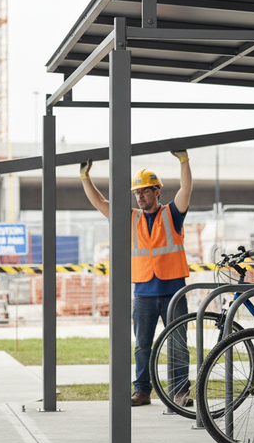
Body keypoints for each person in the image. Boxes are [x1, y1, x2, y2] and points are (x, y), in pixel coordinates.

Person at [79, 151, 193, 406]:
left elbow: (186, 189)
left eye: (144, 192)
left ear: (157, 193)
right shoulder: (129, 218)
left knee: (178, 345)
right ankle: (142, 391)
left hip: (174, 291)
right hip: (143, 293)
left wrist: (183, 161)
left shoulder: (172, 214)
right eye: (137, 193)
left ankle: (181, 393)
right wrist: (85, 177)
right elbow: (100, 203)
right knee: (142, 346)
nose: (139, 196)